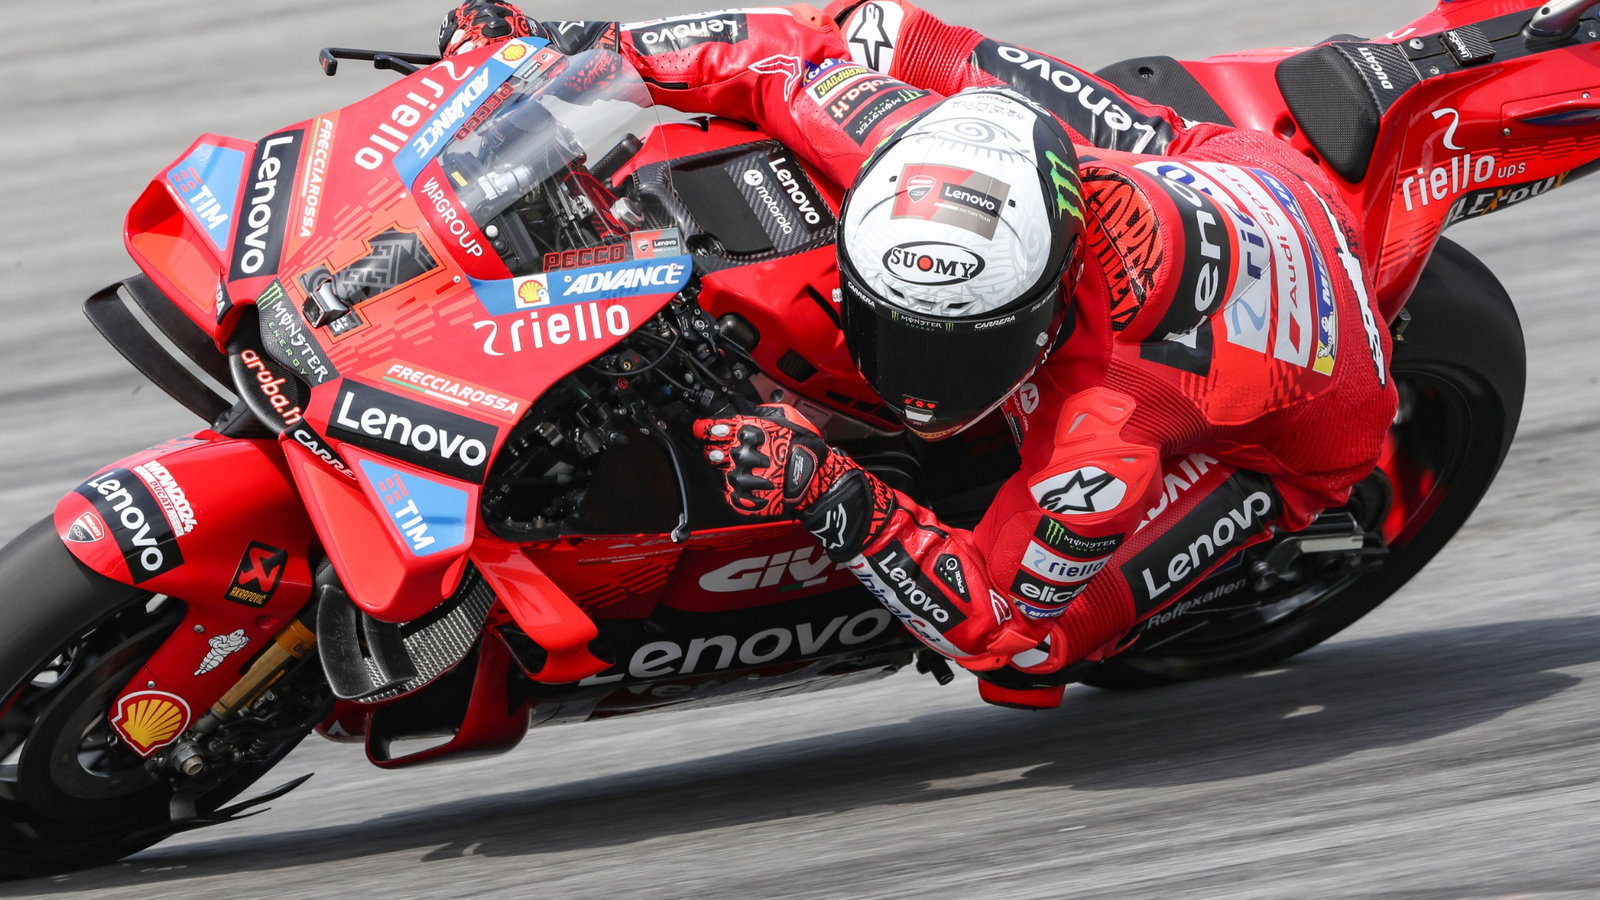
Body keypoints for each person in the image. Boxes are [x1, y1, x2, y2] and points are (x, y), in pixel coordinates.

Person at [438, 1, 1399, 707]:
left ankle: (1278, 516)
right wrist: (552, 63)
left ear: (1036, 313)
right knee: (873, 27)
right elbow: (772, 54)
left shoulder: (1105, 421)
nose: (908, 371)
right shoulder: (901, 141)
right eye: (891, 324)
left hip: (1298, 427)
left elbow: (995, 622)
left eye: (948, 346)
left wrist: (829, 492)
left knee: (1035, 654)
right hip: (1208, 160)